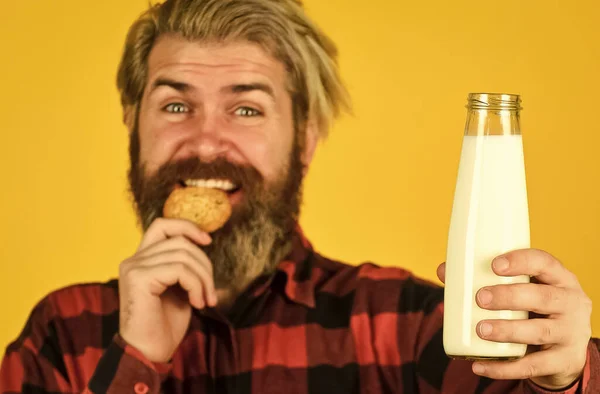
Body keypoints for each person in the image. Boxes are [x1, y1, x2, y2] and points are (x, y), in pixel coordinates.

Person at [1, 0, 598, 393]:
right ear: (132, 123)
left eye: (247, 108)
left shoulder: (405, 327)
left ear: (305, 138)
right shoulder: (62, 334)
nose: (207, 139)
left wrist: (567, 372)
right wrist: (135, 360)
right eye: (176, 105)